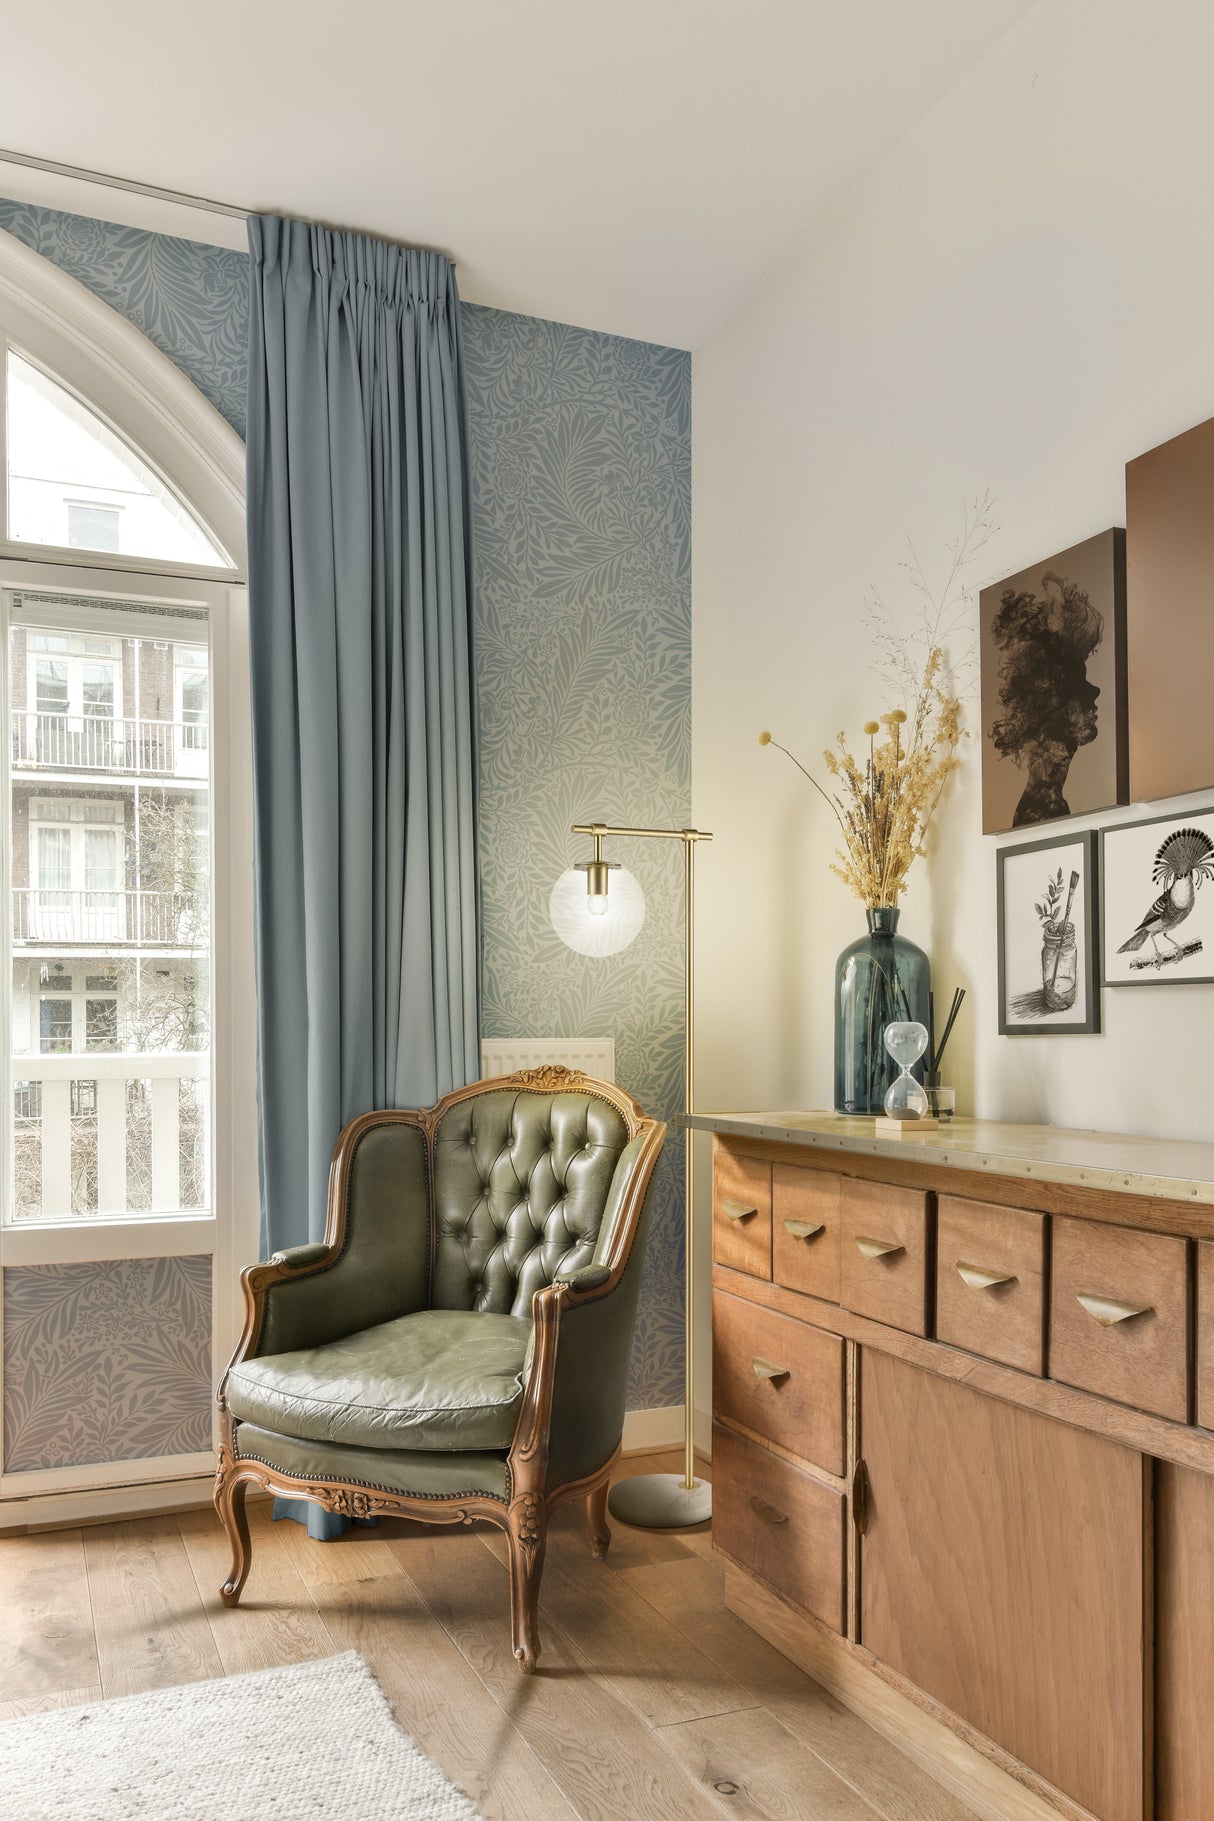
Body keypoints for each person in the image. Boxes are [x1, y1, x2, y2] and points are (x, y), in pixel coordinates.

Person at [989, 569, 1102, 826]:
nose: (1095, 691)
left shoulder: (1047, 803)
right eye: (1078, 684)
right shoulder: (1042, 809)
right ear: (1052, 703)